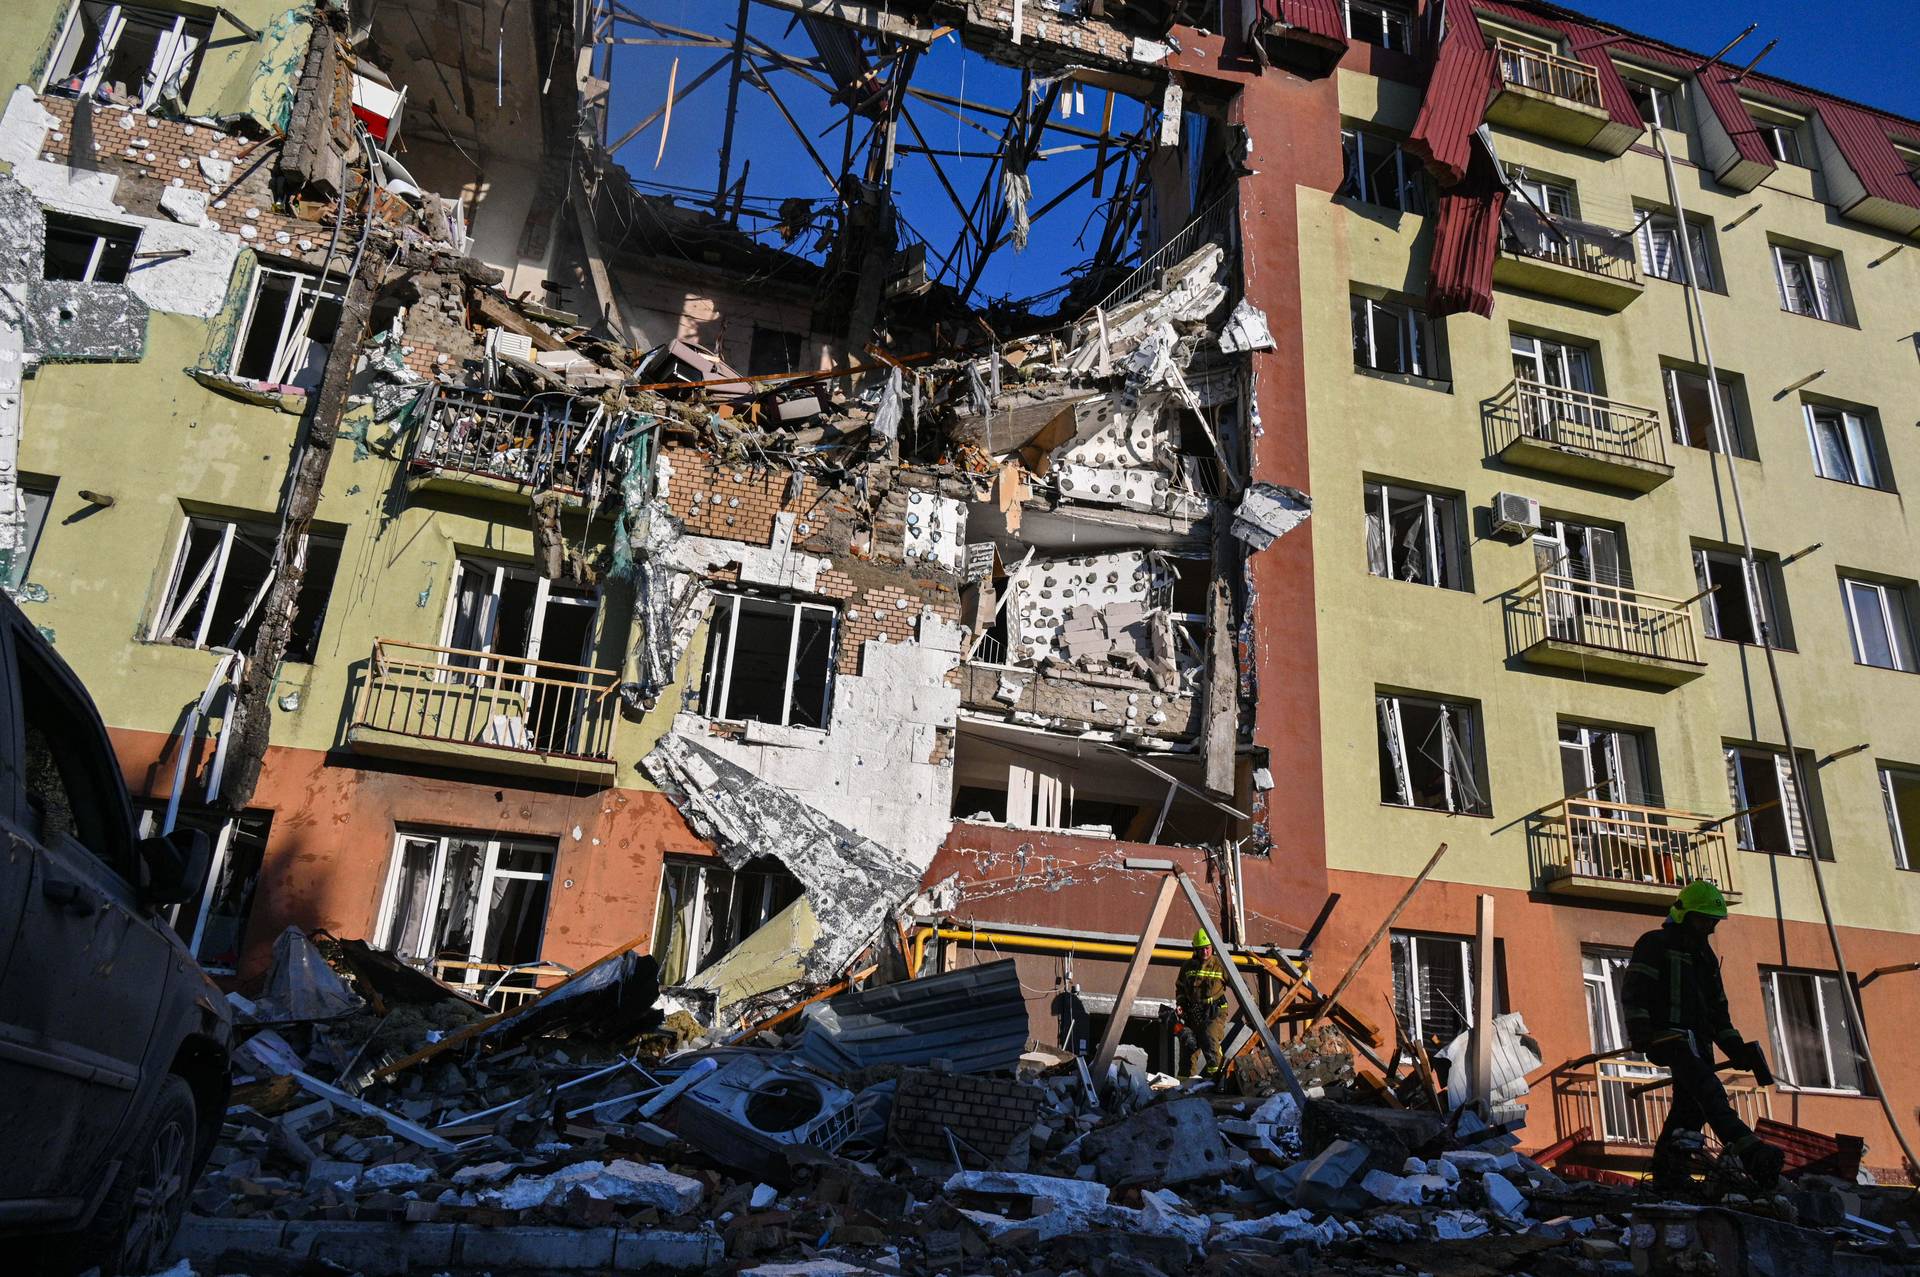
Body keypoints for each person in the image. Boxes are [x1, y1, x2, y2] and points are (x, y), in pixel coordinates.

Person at [1622, 880, 1786, 1190]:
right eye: (1704, 919)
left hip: (1698, 1044)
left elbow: (1717, 1013)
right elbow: (1634, 992)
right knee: (1708, 1089)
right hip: (1667, 1038)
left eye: (1713, 922)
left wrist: (1734, 1047)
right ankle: (1748, 1148)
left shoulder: (1706, 959)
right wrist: (1641, 1031)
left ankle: (1669, 1175)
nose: (1709, 928)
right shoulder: (1655, 944)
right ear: (1683, 914)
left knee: (1690, 1111)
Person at [1176, 928, 1232, 1078]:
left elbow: (1239, 984)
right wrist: (1180, 1004)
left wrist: (1249, 1001)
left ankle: (1218, 1081)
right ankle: (1184, 1087)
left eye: (1207, 948)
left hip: (1214, 1011)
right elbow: (1180, 988)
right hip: (1193, 1011)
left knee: (1210, 1039)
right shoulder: (1187, 966)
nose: (1205, 952)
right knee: (1188, 1047)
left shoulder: (1220, 965)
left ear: (1212, 947)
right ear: (1195, 949)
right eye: (1201, 949)